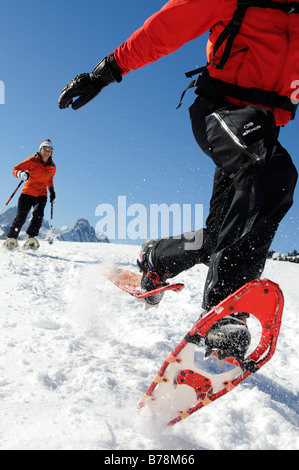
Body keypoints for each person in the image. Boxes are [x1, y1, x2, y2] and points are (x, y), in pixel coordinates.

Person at [58, 0, 298, 360]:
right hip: (220, 111)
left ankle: (158, 258)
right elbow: (166, 27)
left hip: (260, 130)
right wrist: (105, 71)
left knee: (223, 235)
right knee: (272, 172)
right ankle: (225, 311)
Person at [3, 139, 56, 251]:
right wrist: (21, 174)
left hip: (41, 194)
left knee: (38, 216)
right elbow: (15, 169)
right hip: (27, 193)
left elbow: (49, 179)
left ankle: (31, 238)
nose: (47, 151)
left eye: (50, 150)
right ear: (40, 149)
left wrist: (51, 191)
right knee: (21, 216)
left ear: (51, 152)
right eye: (45, 148)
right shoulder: (32, 160)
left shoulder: (52, 166)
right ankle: (12, 238)